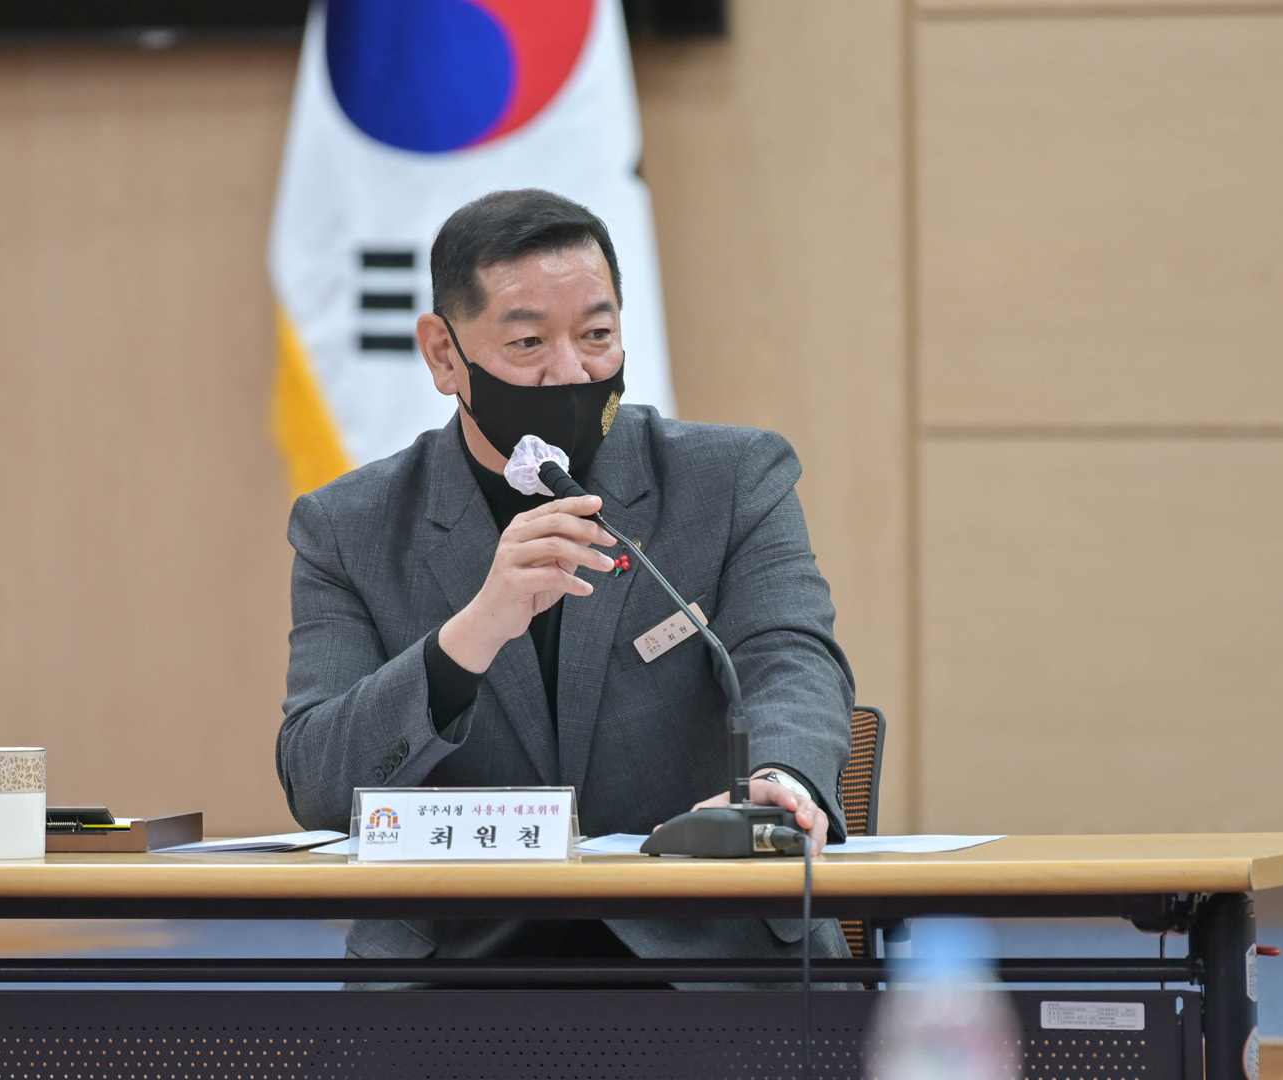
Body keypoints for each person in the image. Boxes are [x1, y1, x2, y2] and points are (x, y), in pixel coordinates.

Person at [276, 188, 855, 973]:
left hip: (707, 947)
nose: (571, 372)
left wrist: (777, 779)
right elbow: (318, 781)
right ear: (444, 355)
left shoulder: (729, 480)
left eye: (596, 335)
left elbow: (791, 658)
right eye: (527, 343)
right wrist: (476, 629)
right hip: (456, 972)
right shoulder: (350, 527)